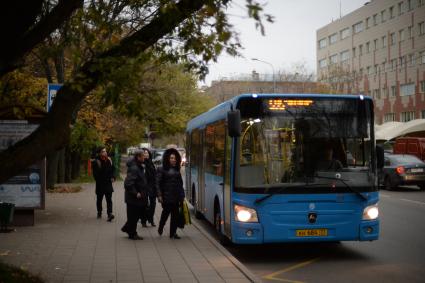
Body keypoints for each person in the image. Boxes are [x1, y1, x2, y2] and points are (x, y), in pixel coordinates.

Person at [156, 148, 185, 239]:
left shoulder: (177, 170)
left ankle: (173, 233)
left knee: (175, 216)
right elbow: (157, 183)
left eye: (175, 158)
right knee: (165, 214)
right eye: (172, 158)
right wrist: (159, 195)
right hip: (166, 197)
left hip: (176, 197)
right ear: (168, 158)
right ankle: (161, 227)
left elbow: (180, 184)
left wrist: (182, 196)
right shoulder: (162, 169)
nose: (173, 160)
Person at [121, 151, 149, 240]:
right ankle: (132, 234)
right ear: (138, 157)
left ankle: (127, 229)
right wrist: (135, 193)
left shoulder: (139, 166)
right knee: (133, 216)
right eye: (143, 156)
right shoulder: (134, 168)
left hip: (138, 197)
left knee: (135, 215)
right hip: (133, 198)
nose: (144, 158)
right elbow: (128, 183)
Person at [92, 147, 115, 221]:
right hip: (100, 184)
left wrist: (113, 177)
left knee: (109, 200)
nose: (105, 153)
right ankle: (99, 212)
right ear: (99, 153)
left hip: (108, 184)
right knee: (99, 199)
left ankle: (110, 214)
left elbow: (112, 170)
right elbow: (96, 175)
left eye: (105, 151)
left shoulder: (109, 160)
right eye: (103, 151)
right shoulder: (96, 162)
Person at [140, 148, 157, 227]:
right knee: (144, 204)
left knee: (153, 204)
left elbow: (155, 175)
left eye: (147, 153)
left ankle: (150, 218)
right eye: (144, 153)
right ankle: (144, 221)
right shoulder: (141, 163)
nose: (146, 154)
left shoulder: (151, 163)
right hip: (144, 187)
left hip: (152, 186)